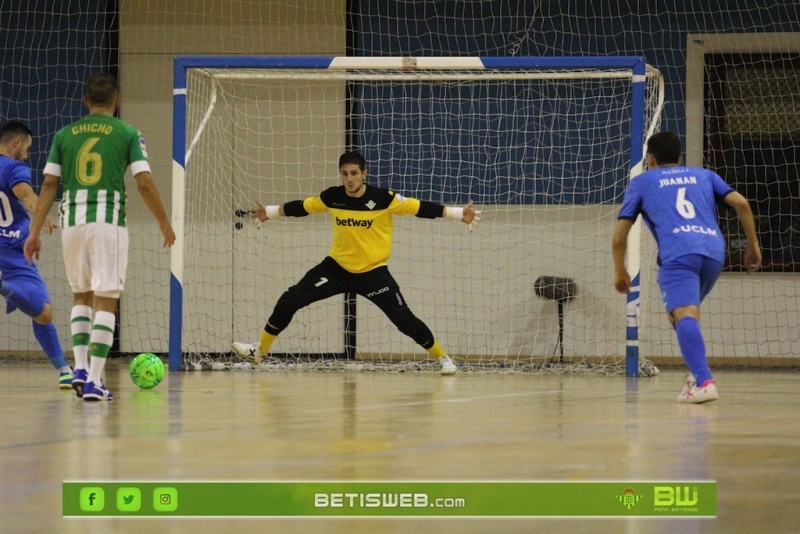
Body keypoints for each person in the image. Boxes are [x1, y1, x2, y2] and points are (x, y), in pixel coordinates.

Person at [232, 150, 480, 375]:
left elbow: (420, 208)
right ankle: (259, 352)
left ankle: (443, 358)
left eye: (354, 173)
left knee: (403, 319)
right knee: (290, 298)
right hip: (336, 269)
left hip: (373, 272)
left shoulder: (384, 198)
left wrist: (458, 214)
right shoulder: (333, 197)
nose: (349, 179)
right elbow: (303, 207)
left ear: (364, 174)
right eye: (344, 174)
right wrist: (271, 212)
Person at [24, 73, 176, 401]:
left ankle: (79, 369)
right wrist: (163, 220)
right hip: (107, 224)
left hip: (72, 223)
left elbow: (49, 185)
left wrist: (34, 232)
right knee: (107, 299)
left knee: (81, 296)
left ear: (85, 100)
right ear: (117, 101)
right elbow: (144, 181)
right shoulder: (127, 132)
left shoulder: (64, 135)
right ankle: (94, 380)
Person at [612, 131, 761, 404]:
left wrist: (620, 271)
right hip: (714, 252)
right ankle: (696, 373)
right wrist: (753, 245)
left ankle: (704, 381)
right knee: (680, 317)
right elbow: (742, 203)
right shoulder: (704, 175)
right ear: (679, 158)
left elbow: (619, 237)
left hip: (679, 254)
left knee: (685, 316)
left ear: (651, 159)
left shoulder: (643, 182)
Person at [0, 120, 74, 389]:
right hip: (14, 249)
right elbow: (26, 194)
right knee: (43, 312)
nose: (28, 154)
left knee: (41, 314)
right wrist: (40, 214)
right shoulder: (14, 167)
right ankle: (65, 371)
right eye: (28, 148)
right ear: (16, 143)